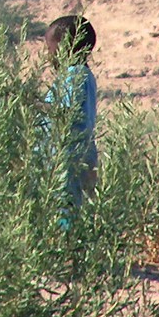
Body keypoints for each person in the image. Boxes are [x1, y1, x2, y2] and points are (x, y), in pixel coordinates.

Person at [42, 13, 99, 209]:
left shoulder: (77, 75)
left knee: (66, 217)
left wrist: (28, 101)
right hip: (65, 163)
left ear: (66, 44)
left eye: (50, 48)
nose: (49, 55)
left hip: (68, 165)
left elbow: (65, 113)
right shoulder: (74, 76)